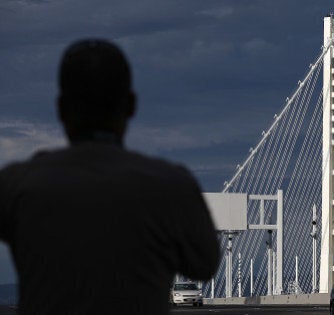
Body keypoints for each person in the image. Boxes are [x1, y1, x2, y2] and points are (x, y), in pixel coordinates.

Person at [0, 39, 220, 314]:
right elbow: (204, 264)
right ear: (130, 106)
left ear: (60, 108)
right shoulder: (172, 185)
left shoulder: (16, 184)